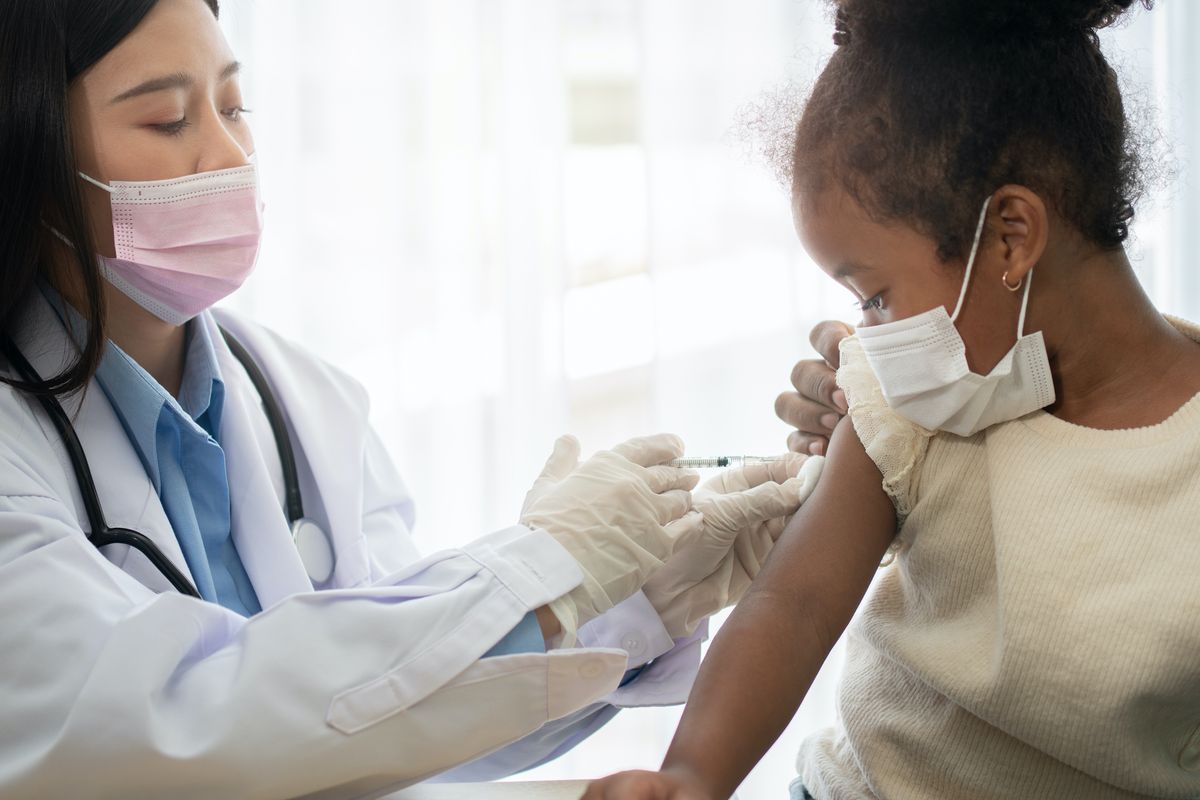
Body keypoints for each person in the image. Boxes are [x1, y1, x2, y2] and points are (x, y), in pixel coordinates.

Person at [0, 1, 825, 797]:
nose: (229, 154)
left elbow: (403, 714)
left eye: (234, 107)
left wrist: (632, 598)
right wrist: (544, 576)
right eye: (170, 121)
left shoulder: (305, 401)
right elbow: (158, 726)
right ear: (32, 159)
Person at [584, 0, 1200, 798]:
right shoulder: (917, 402)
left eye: (875, 297)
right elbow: (793, 603)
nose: (865, 335)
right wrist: (691, 776)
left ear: (1011, 236)